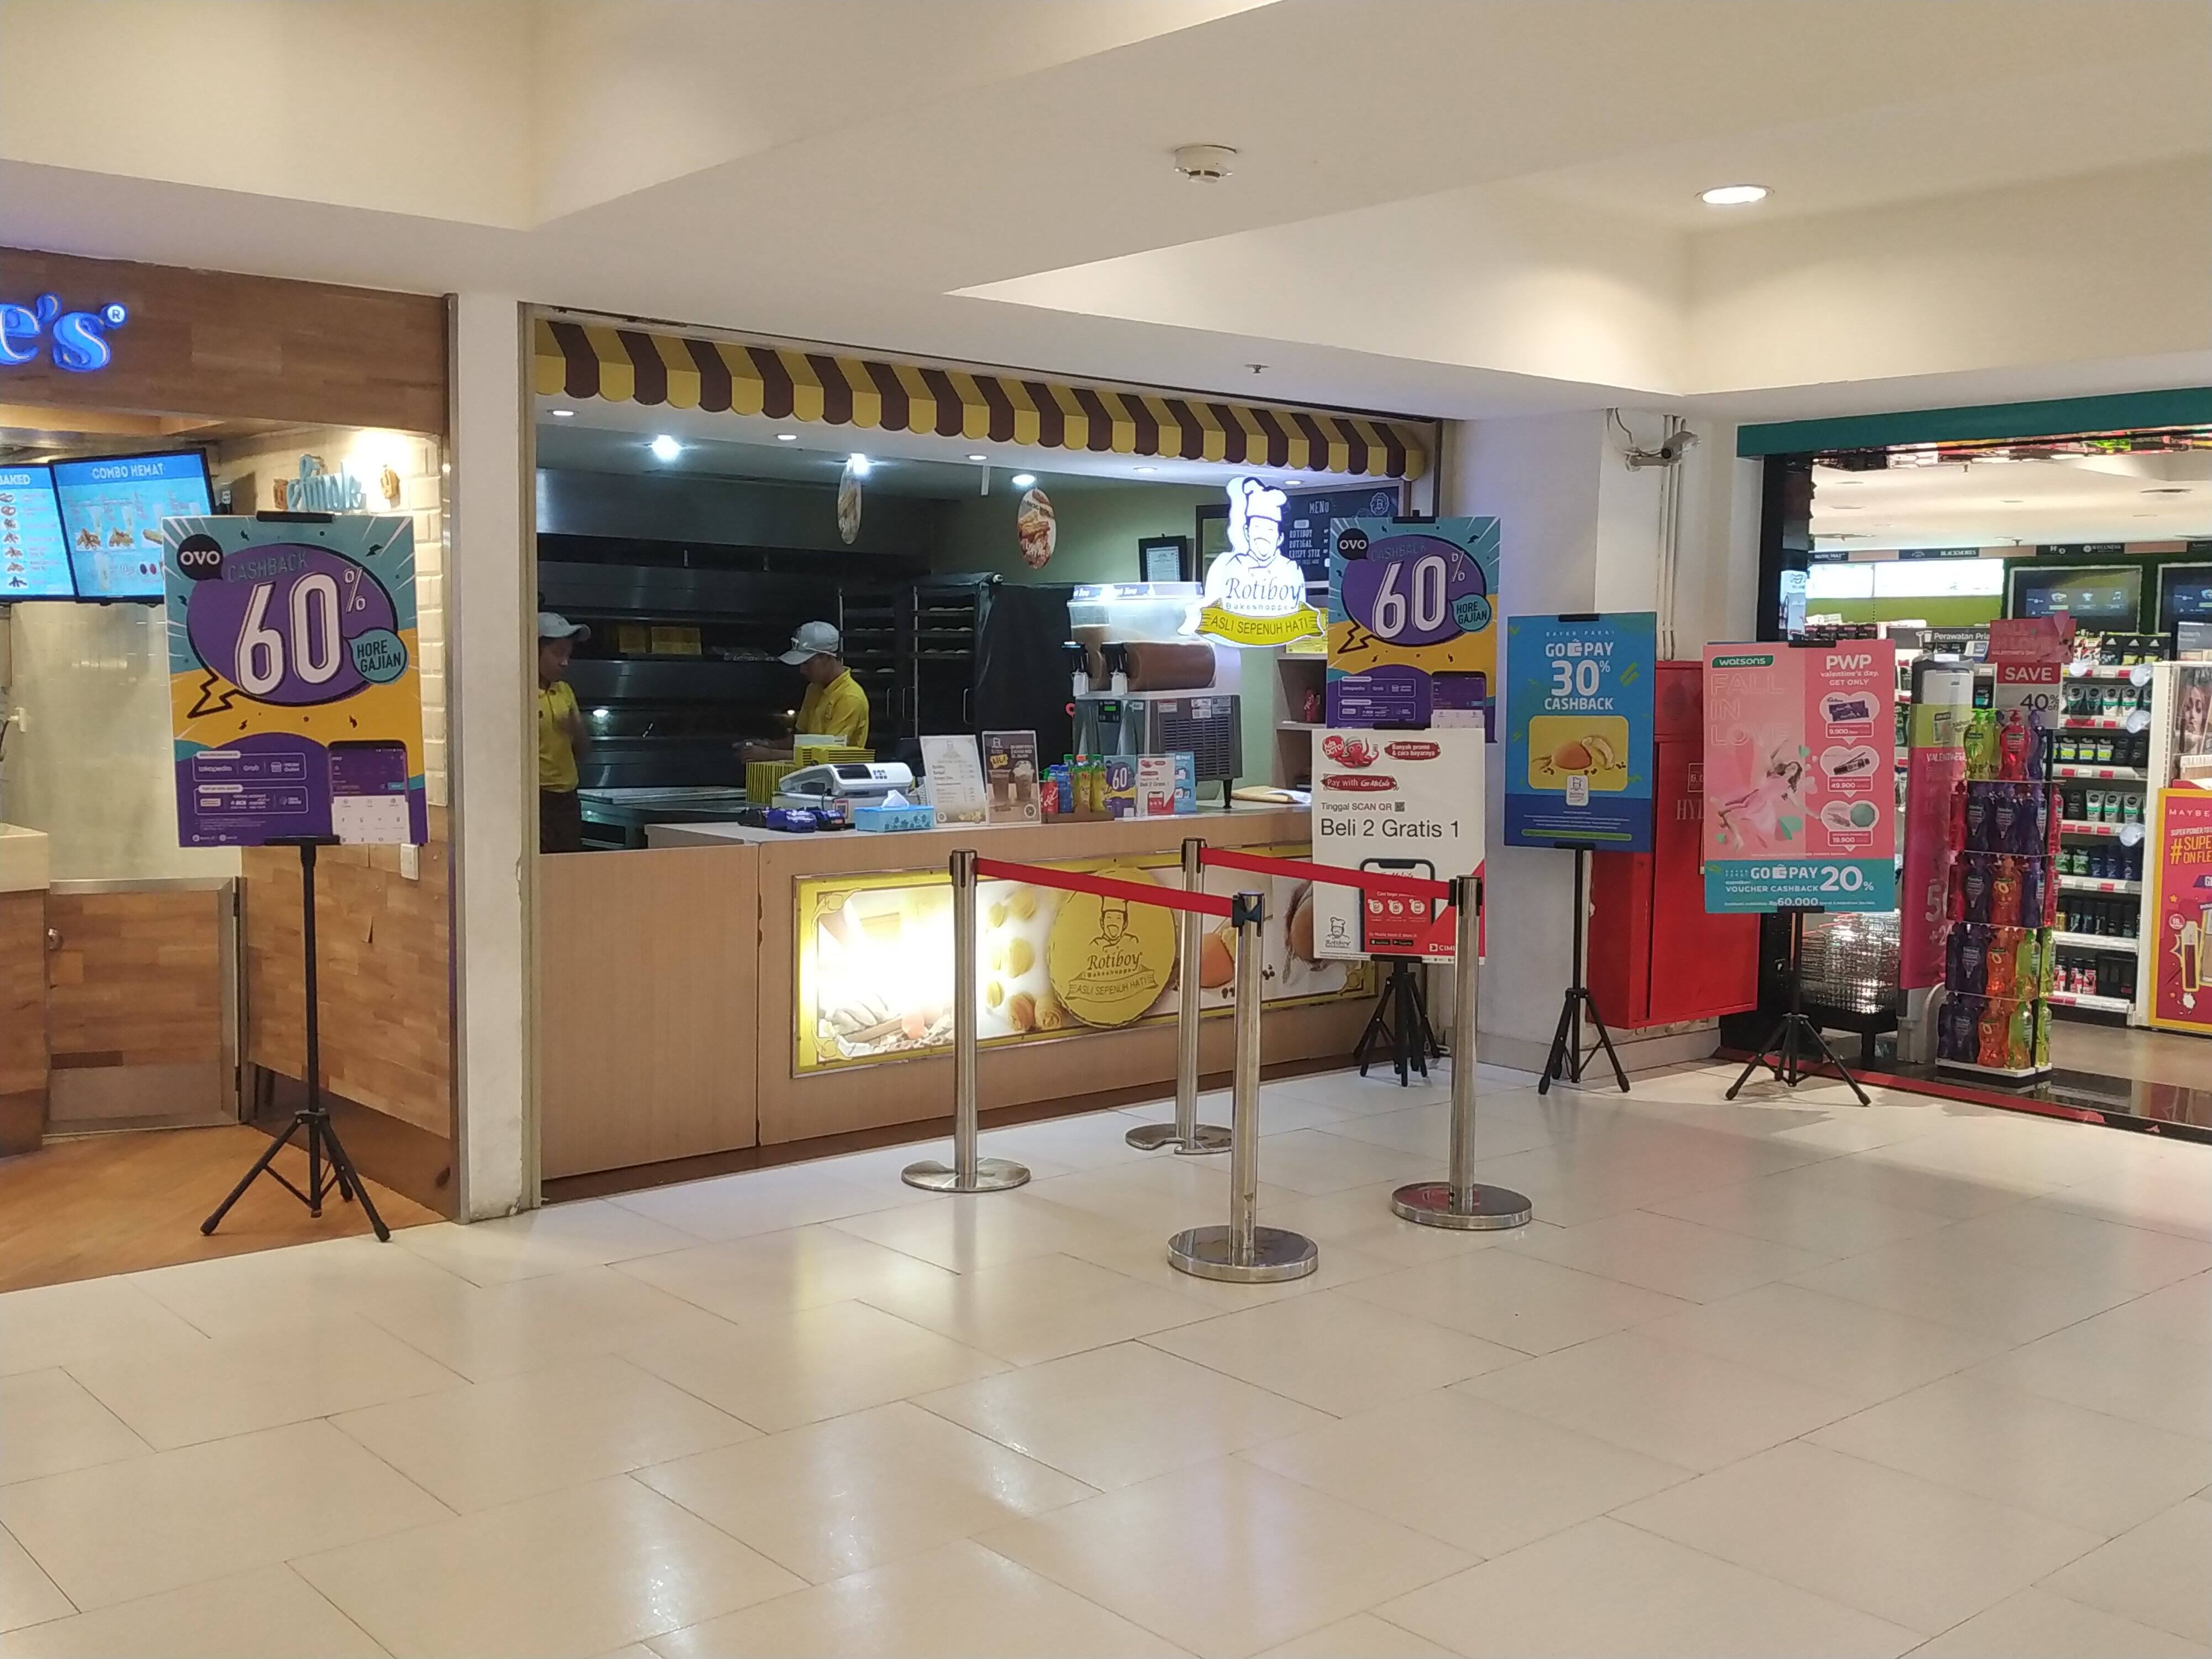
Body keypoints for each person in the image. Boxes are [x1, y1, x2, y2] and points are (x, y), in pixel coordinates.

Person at [744, 621, 870, 761]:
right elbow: (801, 738)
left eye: (806, 663)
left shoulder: (850, 698)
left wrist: (770, 755)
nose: (802, 670)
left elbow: (828, 754)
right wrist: (770, 745)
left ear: (826, 657)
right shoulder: (814, 689)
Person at [538, 612, 591, 853]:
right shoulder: (518, 693)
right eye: (558, 653)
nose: (565, 663)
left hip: (568, 797)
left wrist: (575, 729)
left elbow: (584, 751)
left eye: (568, 654)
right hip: (536, 797)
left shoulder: (565, 691)